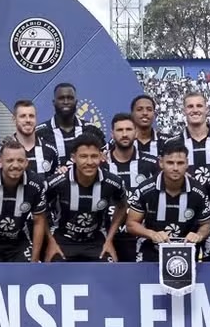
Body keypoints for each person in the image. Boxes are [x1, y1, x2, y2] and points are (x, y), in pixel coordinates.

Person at [41, 134, 127, 262]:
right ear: (73, 158)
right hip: (62, 240)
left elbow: (122, 206)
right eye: (83, 156)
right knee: (53, 269)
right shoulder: (57, 182)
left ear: (101, 156)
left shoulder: (113, 182)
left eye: (94, 156)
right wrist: (51, 241)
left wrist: (109, 240)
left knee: (110, 269)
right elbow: (39, 210)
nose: (89, 162)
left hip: (96, 240)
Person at [125, 140, 210, 262]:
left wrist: (198, 235)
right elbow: (131, 224)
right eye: (170, 163)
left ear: (187, 163)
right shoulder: (145, 189)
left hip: (187, 252)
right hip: (151, 251)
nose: (175, 168)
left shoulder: (198, 192)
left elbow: (206, 224)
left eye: (180, 163)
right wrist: (152, 234)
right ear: (161, 163)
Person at [104, 113, 160, 262]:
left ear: (135, 132)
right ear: (112, 134)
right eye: (119, 130)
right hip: (107, 238)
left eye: (128, 129)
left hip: (140, 238)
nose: (124, 134)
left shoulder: (151, 164)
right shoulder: (101, 164)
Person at [164, 91, 210, 185]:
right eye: (190, 106)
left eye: (199, 106)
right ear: (183, 111)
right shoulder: (172, 143)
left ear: (207, 109)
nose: (195, 110)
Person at [35, 83, 105, 167]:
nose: (66, 102)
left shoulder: (91, 130)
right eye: (61, 98)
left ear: (76, 102)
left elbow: (103, 158)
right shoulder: (40, 132)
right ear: (54, 102)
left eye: (70, 98)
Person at [2, 99, 57, 177]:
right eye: (23, 116)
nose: (28, 120)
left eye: (31, 116)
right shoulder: (3, 151)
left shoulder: (50, 150)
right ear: (14, 119)